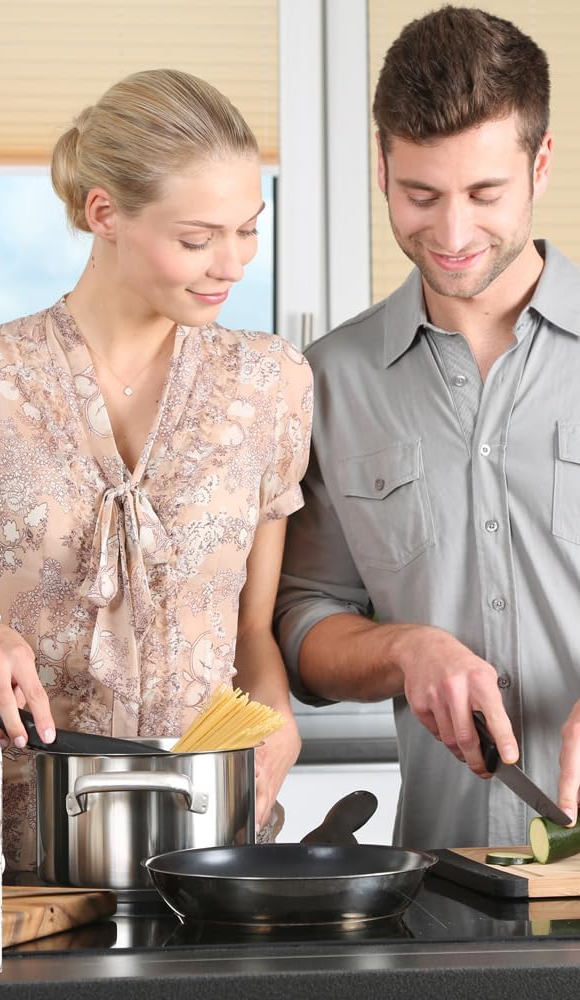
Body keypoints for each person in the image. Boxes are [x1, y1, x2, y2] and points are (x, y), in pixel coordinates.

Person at [0, 68, 312, 870]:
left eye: (248, 230)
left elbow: (252, 631)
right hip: (5, 850)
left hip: (207, 840)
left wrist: (277, 715)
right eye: (197, 239)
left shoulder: (271, 384)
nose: (232, 264)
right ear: (104, 213)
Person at [275, 6, 580, 850]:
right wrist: (406, 649)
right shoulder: (331, 380)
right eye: (421, 195)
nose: (451, 234)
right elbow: (305, 622)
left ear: (540, 164)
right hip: (445, 889)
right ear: (382, 169)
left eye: (484, 194)